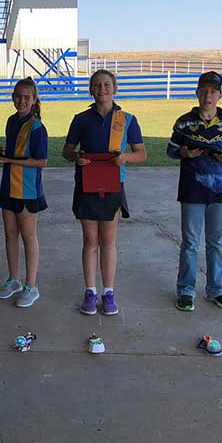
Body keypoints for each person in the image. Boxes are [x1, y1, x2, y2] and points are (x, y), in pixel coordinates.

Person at [63, 69, 147, 316]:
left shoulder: (127, 119)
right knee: (90, 241)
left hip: (113, 186)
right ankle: (90, 291)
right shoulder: (80, 119)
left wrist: (125, 158)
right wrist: (76, 158)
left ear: (115, 88)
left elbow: (142, 154)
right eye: (97, 85)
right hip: (86, 185)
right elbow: (67, 150)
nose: (102, 89)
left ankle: (108, 292)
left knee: (108, 241)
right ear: (91, 90)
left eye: (107, 84)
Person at [167, 71, 222, 312]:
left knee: (217, 242)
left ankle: (216, 288)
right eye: (204, 91)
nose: (208, 95)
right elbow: (171, 150)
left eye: (213, 91)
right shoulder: (184, 122)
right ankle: (186, 290)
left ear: (220, 95)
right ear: (197, 93)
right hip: (191, 189)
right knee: (190, 242)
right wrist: (184, 153)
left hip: (220, 190)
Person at [0, 78, 49, 308]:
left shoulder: (37, 127)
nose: (21, 101)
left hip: (27, 190)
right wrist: (4, 152)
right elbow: (16, 150)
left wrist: (9, 159)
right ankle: (13, 279)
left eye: (27, 97)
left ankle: (31, 285)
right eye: (17, 96)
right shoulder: (11, 121)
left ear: (34, 100)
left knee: (28, 236)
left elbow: (41, 161)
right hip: (8, 187)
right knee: (10, 234)